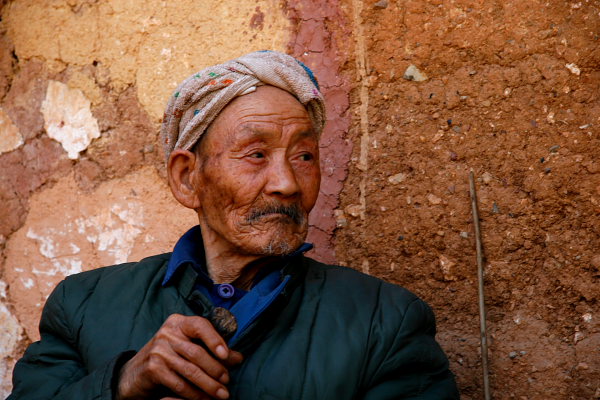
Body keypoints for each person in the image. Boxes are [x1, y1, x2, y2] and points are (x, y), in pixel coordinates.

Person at [9, 51, 459, 399]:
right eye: (256, 155)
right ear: (188, 178)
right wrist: (122, 383)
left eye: (304, 157)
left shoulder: (386, 321)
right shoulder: (83, 306)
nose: (286, 183)